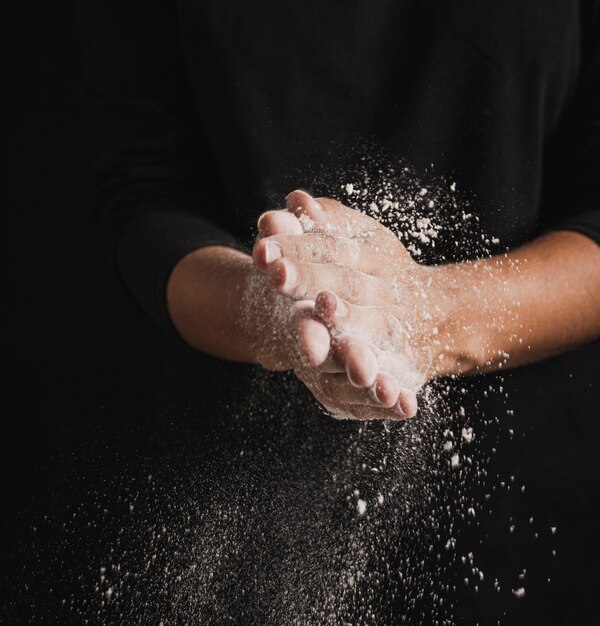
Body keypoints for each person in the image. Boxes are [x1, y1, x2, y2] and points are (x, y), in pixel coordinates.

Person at [83, 1, 600, 622]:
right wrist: (268, 306)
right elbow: (145, 193)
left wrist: (425, 313)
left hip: (530, 521)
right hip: (236, 511)